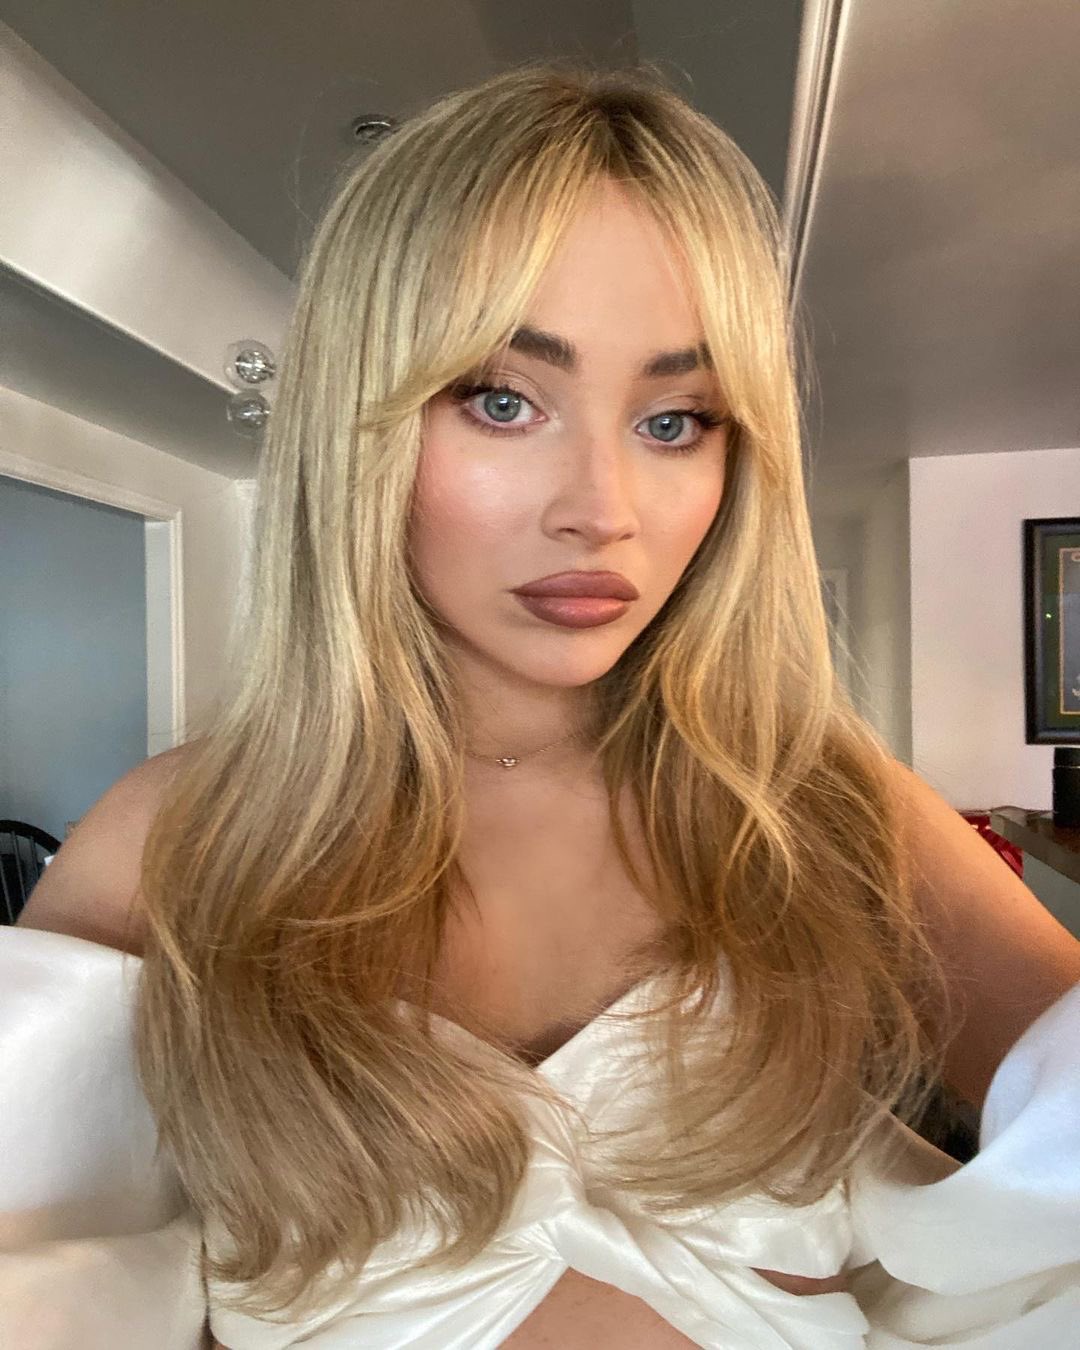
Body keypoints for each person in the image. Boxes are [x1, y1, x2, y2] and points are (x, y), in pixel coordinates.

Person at [3, 60, 1079, 1350]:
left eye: (676, 420)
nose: (602, 510)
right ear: (360, 428)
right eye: (503, 401)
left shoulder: (818, 807)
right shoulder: (178, 839)